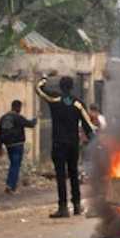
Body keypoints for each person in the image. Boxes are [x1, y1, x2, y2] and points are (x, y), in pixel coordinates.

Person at [36, 76, 94, 218]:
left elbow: (39, 89)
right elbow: (88, 125)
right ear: (72, 87)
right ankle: (77, 206)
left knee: (61, 175)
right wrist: (94, 141)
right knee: (73, 173)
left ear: (60, 87)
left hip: (58, 144)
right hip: (73, 144)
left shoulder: (54, 98)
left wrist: (44, 79)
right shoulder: (77, 103)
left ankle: (63, 208)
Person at [0, 100, 37, 194]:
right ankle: (11, 186)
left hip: (8, 145)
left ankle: (10, 185)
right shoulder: (18, 117)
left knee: (13, 165)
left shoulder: (3, 118)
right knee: (15, 165)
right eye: (20, 108)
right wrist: (35, 119)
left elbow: (0, 133)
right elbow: (30, 124)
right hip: (17, 145)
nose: (20, 109)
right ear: (17, 107)